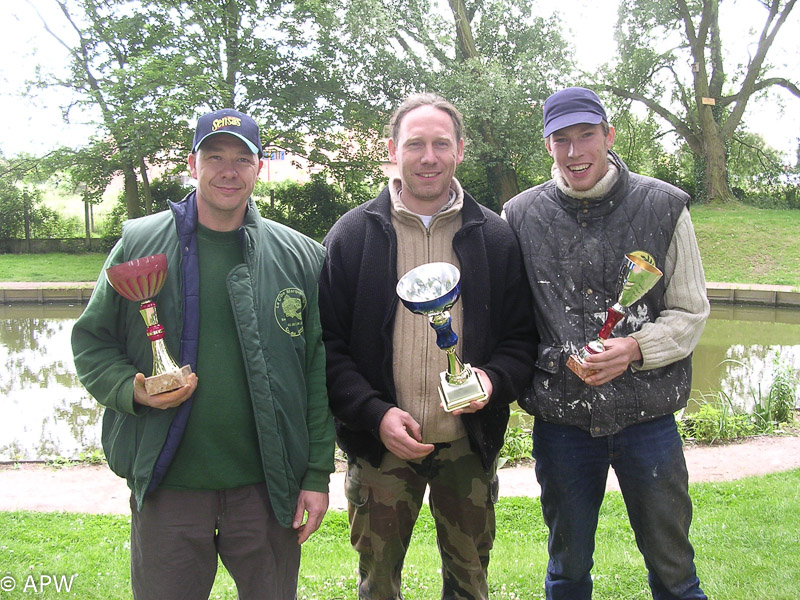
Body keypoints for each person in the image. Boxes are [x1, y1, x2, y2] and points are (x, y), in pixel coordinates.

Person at [71, 108, 335, 599]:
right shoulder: (139, 243)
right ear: (192, 163)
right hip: (169, 486)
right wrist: (135, 391)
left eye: (242, 158)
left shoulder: (300, 256)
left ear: (260, 168)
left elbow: (318, 371)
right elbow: (92, 344)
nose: (228, 170)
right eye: (215, 156)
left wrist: (316, 473)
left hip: (267, 488)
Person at [319, 93, 537, 600]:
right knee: (377, 586)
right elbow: (326, 346)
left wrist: (493, 380)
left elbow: (521, 340)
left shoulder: (495, 239)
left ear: (460, 150)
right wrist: (374, 415)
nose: (429, 157)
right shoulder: (353, 236)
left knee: (469, 584)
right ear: (392, 150)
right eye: (415, 144)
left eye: (441, 143)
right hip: (381, 449)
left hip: (468, 443)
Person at [502, 87, 710, 600]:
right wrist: (555, 359)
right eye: (561, 139)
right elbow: (511, 324)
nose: (575, 152)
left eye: (586, 136)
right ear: (547, 145)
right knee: (567, 569)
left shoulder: (664, 205)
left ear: (609, 136)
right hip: (562, 425)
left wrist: (636, 348)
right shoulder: (518, 216)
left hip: (649, 420)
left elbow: (691, 311)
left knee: (674, 570)